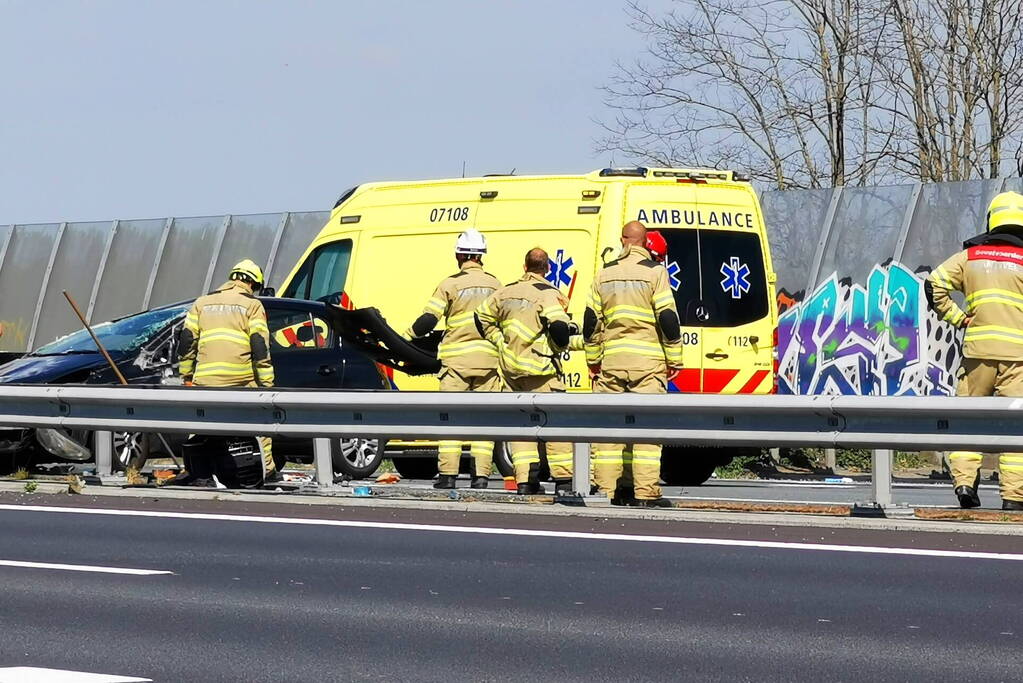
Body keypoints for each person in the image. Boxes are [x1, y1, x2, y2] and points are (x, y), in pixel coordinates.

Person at [926, 191, 1023, 511]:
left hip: (977, 351)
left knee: (967, 417)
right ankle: (1013, 497)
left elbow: (934, 284)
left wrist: (956, 317)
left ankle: (965, 482)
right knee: (1017, 427)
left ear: (992, 220)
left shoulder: (971, 256)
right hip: (1018, 357)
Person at [584, 221, 683, 507]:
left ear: (623, 241)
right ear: (644, 242)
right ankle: (644, 493)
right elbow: (668, 319)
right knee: (646, 430)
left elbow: (591, 323)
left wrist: (594, 361)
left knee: (609, 430)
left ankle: (606, 491)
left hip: (612, 362)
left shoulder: (604, 273)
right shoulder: (656, 273)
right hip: (648, 364)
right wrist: (674, 358)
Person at [475, 247, 578, 494]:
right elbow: (559, 329)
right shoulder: (550, 294)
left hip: (511, 371)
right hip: (541, 371)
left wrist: (500, 342)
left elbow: (481, 318)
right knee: (555, 426)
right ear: (548, 269)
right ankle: (564, 481)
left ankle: (525, 481)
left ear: (525, 267)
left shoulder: (505, 292)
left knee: (521, 429)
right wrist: (562, 342)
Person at [408, 229, 502, 489]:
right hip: (489, 364)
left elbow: (429, 320)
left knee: (451, 419)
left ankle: (448, 476)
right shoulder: (497, 284)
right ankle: (481, 476)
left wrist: (406, 338)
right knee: (485, 422)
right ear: (482, 255)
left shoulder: (450, 284)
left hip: (457, 365)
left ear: (459, 254)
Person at [176, 259, 278, 485]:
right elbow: (260, 345)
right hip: (240, 379)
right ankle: (267, 469)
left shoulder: (202, 303)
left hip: (206, 380)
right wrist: (266, 384)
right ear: (253, 283)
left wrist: (187, 375)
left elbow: (187, 341)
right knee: (260, 424)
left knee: (201, 425)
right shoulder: (252, 305)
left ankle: (195, 470)